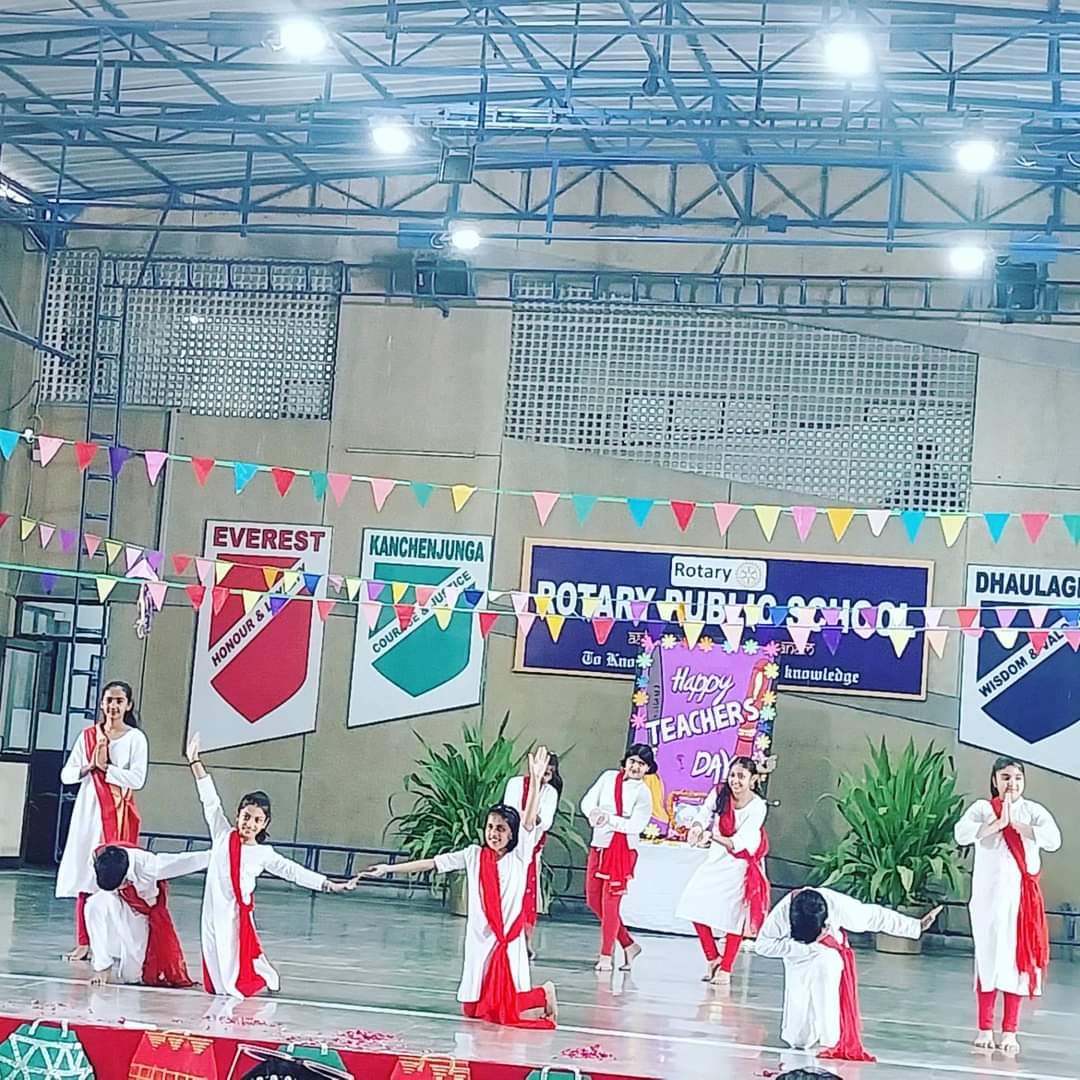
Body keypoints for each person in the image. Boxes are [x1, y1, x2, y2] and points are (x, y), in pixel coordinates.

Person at [364, 747, 558, 1028]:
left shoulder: (520, 855)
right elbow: (433, 863)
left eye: (501, 829)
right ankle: (538, 995)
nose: (493, 833)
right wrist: (388, 869)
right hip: (479, 938)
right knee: (473, 1010)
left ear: (512, 834)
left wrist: (537, 781)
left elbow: (529, 822)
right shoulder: (473, 855)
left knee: (501, 1008)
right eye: (490, 827)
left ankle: (543, 993)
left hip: (506, 939)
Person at [185, 733, 359, 998]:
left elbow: (293, 871)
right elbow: (210, 800)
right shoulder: (222, 834)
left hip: (234, 914)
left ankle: (263, 977)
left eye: (257, 820)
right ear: (238, 815)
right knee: (213, 959)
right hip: (211, 909)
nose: (250, 823)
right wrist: (194, 761)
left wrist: (328, 884)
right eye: (246, 817)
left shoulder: (263, 854)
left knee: (233, 967)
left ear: (265, 824)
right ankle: (234, 984)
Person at [755, 887, 941, 1062]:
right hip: (796, 957)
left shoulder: (837, 904)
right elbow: (763, 946)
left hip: (827, 954)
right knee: (798, 1038)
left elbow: (874, 917)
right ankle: (808, 1035)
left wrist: (915, 926)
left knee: (826, 984)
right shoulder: (782, 913)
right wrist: (804, 947)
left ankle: (832, 1040)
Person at [954, 756, 1061, 1054]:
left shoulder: (1033, 812)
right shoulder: (982, 809)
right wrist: (998, 824)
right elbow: (961, 834)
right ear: (994, 780)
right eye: (1005, 777)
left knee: (1017, 963)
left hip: (1022, 903)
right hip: (988, 902)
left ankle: (1010, 1031)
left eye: (1017, 778)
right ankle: (984, 1027)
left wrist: (1018, 825)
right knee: (987, 960)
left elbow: (1053, 840)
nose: (1011, 783)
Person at [56, 680, 148, 962]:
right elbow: (66, 775)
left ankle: (116, 943)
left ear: (128, 705)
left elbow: (137, 779)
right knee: (86, 873)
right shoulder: (88, 736)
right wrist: (90, 766)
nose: (113, 706)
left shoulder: (135, 739)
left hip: (117, 814)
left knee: (113, 874)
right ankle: (83, 942)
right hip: (88, 812)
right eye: (109, 700)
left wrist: (106, 768)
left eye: (119, 701)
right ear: (101, 704)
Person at [675, 755, 770, 984]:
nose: (735, 781)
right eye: (732, 775)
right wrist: (697, 827)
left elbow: (740, 842)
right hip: (716, 860)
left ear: (753, 779)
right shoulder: (719, 793)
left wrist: (711, 836)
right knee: (692, 904)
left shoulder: (758, 806)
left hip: (741, 863)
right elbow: (703, 815)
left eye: (741, 776)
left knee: (734, 917)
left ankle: (726, 969)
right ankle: (712, 958)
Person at [84, 843, 210, 987]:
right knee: (93, 906)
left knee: (131, 974)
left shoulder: (150, 866)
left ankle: (132, 973)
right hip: (113, 897)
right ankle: (102, 967)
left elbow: (188, 861)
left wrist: (216, 855)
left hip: (141, 908)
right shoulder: (97, 859)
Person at [580, 743, 655, 973]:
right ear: (625, 761)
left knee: (610, 903)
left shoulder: (644, 793)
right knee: (593, 900)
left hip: (622, 851)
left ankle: (606, 955)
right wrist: (593, 814)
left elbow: (636, 825)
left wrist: (609, 820)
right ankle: (628, 944)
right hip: (599, 845)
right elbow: (588, 801)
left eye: (641, 764)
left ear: (647, 768)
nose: (635, 767)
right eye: (633, 761)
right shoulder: (608, 778)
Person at [502, 751, 562, 957]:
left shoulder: (550, 793)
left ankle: (524, 940)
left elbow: (544, 822)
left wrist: (530, 816)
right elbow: (510, 813)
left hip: (531, 851)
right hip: (508, 847)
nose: (544, 775)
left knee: (526, 895)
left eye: (548, 773)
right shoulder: (515, 784)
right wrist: (530, 816)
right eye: (541, 770)